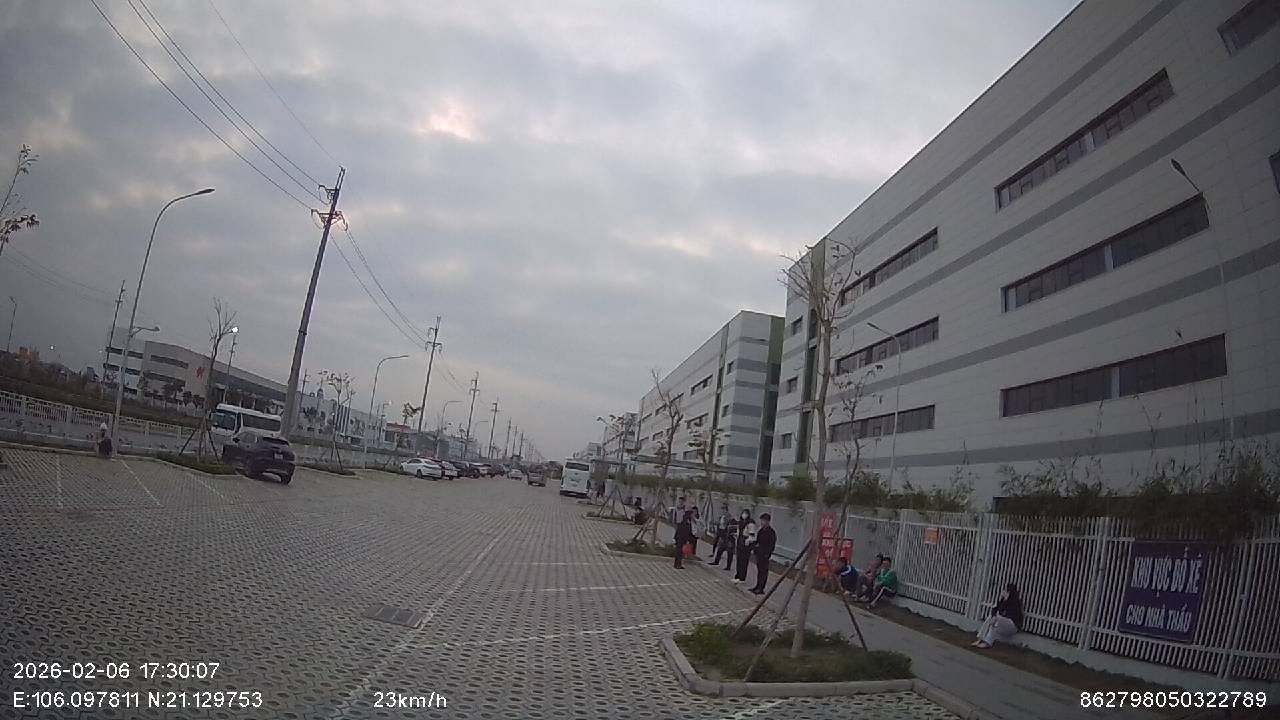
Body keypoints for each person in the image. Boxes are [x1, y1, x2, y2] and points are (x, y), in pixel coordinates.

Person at [973, 583, 1023, 649]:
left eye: (1006, 591)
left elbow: (1008, 614)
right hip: (1003, 624)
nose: (1004, 592)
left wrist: (1005, 602)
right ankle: (980, 639)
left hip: (1013, 626)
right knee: (991, 618)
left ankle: (988, 643)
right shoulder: (1003, 600)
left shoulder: (1016, 602)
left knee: (996, 619)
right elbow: (995, 609)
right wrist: (1002, 601)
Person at [749, 513, 776, 594]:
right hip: (759, 553)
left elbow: (772, 544)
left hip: (765, 555)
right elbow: (758, 541)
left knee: (763, 571)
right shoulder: (761, 531)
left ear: (768, 521)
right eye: (761, 520)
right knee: (759, 571)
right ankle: (757, 586)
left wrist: (767, 554)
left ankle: (761, 588)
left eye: (763, 521)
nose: (762, 522)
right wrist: (754, 548)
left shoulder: (771, 532)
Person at [733, 510, 756, 583]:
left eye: (746, 514)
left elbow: (752, 535)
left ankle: (742, 577)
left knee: (744, 561)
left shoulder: (750, 524)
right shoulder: (740, 523)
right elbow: (738, 532)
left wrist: (747, 541)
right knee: (739, 560)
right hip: (739, 542)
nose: (744, 515)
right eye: (743, 513)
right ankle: (738, 575)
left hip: (745, 544)